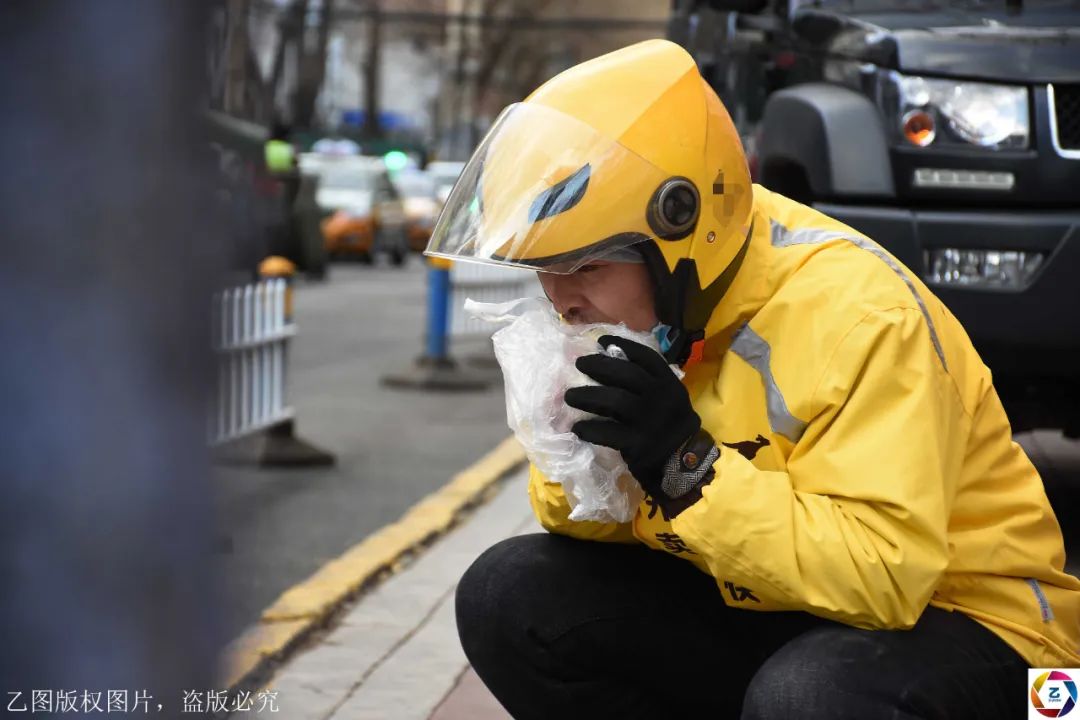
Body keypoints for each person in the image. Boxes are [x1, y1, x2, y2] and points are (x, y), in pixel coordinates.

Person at [426, 40, 1080, 719]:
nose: (560, 302)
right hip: (782, 599)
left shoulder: (862, 315)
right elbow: (593, 532)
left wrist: (686, 468)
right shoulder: (667, 310)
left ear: (680, 234)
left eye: (585, 267)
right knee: (509, 595)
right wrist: (580, 455)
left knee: (806, 696)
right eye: (543, 270)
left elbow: (886, 579)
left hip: (995, 639)